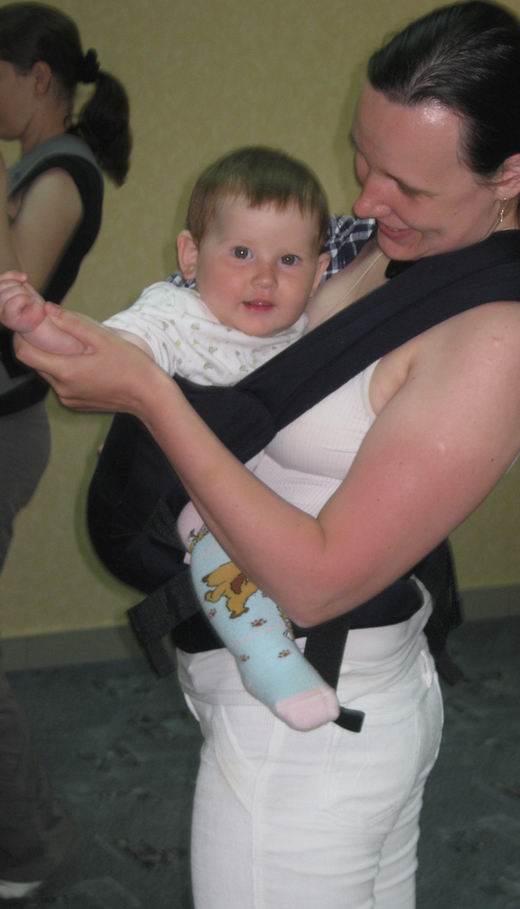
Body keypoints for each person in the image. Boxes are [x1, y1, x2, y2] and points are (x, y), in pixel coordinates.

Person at [8, 2, 520, 906]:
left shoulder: (500, 333)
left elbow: (317, 581)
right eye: (364, 158)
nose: (368, 201)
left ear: (509, 173)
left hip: (309, 732)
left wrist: (149, 396)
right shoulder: (383, 248)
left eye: (407, 186)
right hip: (301, 699)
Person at [0, 145, 343, 732]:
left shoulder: (307, 332)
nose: (264, 276)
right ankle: (268, 658)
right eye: (241, 252)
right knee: (213, 538)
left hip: (283, 501)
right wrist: (42, 323)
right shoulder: (177, 315)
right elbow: (107, 353)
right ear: (190, 255)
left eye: (289, 260)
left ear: (318, 273)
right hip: (198, 498)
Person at [0, 2, 131, 900]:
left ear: (36, 78)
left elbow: (10, 299)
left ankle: (30, 844)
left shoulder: (62, 172)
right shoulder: (32, 166)